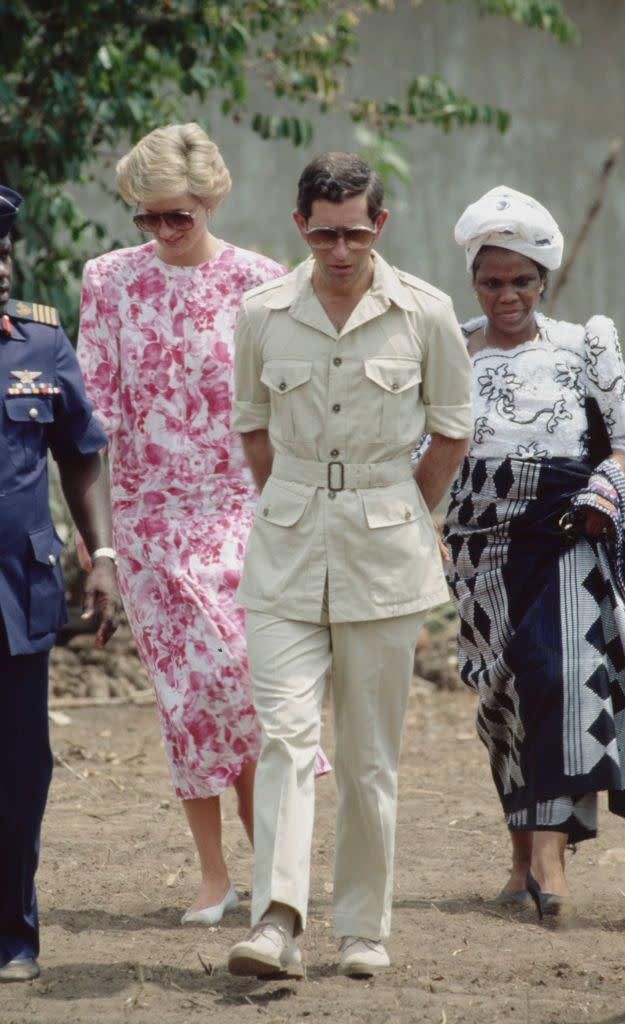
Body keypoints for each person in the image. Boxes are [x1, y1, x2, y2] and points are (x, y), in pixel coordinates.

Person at [227, 152, 473, 979]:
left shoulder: (427, 314)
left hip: (385, 550)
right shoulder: (261, 313)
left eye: (356, 234)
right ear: (300, 226)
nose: (340, 250)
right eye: (325, 233)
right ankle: (277, 921)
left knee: (370, 757)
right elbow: (254, 429)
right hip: (287, 549)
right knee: (286, 737)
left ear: (381, 227)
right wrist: (296, 501)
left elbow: (451, 429)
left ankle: (363, 928)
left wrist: (405, 509)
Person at [77, 122, 313, 926]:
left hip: (245, 513)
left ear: (211, 200)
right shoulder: (106, 280)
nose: (161, 231)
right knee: (185, 698)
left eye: (177, 215)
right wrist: (95, 533)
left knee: (247, 681)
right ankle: (217, 878)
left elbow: (289, 407)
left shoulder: (262, 280)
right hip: (145, 522)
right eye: (145, 216)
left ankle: (273, 858)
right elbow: (94, 415)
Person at [443, 185, 625, 920]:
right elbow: (426, 444)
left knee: (561, 670)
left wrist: (609, 485)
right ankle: (520, 856)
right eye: (491, 280)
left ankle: (550, 857)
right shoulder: (449, 346)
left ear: (543, 279)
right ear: (473, 281)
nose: (507, 294)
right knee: (505, 692)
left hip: (572, 525)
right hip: (478, 541)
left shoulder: (584, 343)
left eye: (521, 281)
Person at [0, 185, 121, 982]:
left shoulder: (40, 347)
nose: (0, 269)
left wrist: (101, 553)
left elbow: (80, 449)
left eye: (3, 254)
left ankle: (14, 931)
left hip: (15, 592)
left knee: (18, 766)